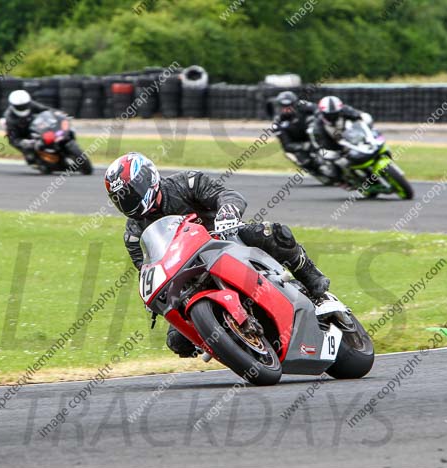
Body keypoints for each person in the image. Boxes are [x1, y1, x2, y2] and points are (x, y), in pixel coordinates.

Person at [104, 152, 331, 358]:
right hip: (187, 275)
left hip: (224, 241)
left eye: (131, 192)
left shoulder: (186, 182)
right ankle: (226, 339)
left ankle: (312, 282)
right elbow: (146, 268)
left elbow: (228, 195)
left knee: (273, 233)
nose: (128, 200)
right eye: (121, 198)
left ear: (148, 179)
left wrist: (227, 211)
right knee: (177, 341)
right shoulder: (133, 234)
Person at [3, 89, 90, 172]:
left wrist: (58, 114)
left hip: (37, 128)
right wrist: (23, 143)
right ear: (13, 105)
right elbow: (13, 139)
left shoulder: (31, 105)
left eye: (24, 105)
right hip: (24, 136)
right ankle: (39, 163)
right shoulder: (10, 119)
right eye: (20, 106)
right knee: (30, 153)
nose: (23, 107)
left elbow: (46, 109)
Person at [308, 95, 372, 181]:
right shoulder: (318, 125)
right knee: (337, 167)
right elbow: (322, 143)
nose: (332, 117)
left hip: (352, 137)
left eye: (335, 113)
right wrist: (335, 151)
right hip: (334, 146)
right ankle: (351, 179)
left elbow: (359, 116)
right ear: (323, 113)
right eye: (329, 115)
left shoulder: (345, 109)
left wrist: (365, 121)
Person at [271, 90, 319, 175]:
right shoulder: (278, 123)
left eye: (289, 106)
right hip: (299, 143)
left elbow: (318, 110)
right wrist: (303, 146)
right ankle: (312, 168)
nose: (287, 109)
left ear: (295, 104)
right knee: (294, 156)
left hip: (312, 134)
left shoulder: (303, 105)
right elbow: (286, 145)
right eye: (284, 106)